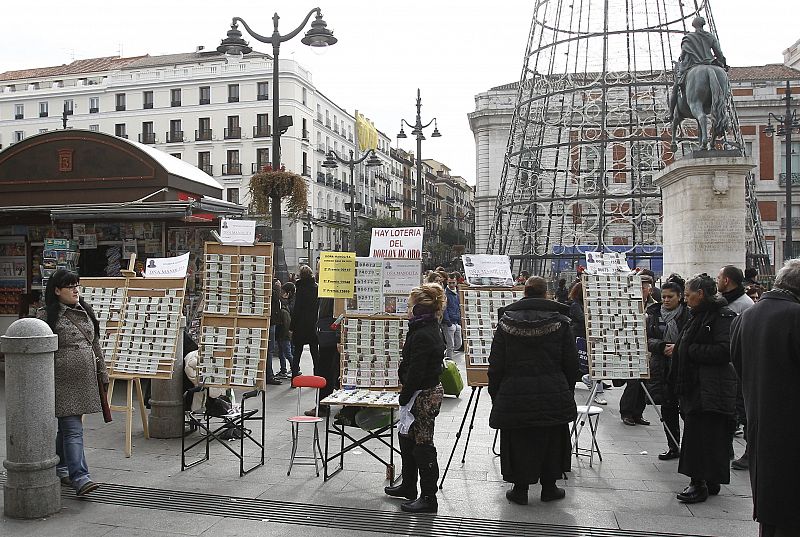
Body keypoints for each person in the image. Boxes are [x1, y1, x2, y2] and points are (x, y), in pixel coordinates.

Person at [488, 276, 579, 505]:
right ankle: (549, 487)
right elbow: (571, 363)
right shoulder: (561, 322)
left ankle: (520, 489)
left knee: (517, 440)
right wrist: (565, 388)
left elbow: (496, 364)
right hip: (552, 389)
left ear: (525, 293)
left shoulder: (506, 323)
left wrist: (496, 393)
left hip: (514, 391)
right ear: (546, 294)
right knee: (552, 439)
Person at [731, 259, 800, 537]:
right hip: (792, 424)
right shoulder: (795, 315)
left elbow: (737, 362)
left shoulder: (746, 315)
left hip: (759, 418)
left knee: (770, 504)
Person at [38, 269, 108, 496]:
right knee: (73, 429)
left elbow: (94, 342)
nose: (75, 290)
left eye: (77, 285)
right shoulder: (47, 316)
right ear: (57, 290)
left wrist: (103, 373)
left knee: (67, 428)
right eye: (70, 286)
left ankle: (61, 466)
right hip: (62, 379)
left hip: (85, 377)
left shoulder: (85, 310)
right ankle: (80, 477)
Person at [673, 274, 737, 504]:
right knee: (704, 435)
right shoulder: (698, 315)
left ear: (700, 294)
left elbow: (724, 351)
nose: (686, 299)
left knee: (702, 437)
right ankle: (710, 479)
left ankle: (698, 482)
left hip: (711, 387)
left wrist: (690, 351)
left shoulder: (722, 316)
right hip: (697, 385)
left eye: (689, 295)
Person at [384, 284, 445, 514]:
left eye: (410, 306)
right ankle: (409, 486)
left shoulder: (424, 333)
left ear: (419, 308)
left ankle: (428, 497)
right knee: (407, 439)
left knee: (422, 445)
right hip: (420, 392)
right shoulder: (425, 327)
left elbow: (417, 372)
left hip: (423, 395)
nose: (407, 310)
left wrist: (405, 395)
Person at [716, 265, 754, 470]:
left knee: (743, 408)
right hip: (727, 363)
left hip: (739, 364)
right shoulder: (725, 301)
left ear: (727, 281)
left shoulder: (744, 304)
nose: (717, 280)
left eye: (719, 277)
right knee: (729, 408)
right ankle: (726, 447)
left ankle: (750, 451)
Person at [646, 280, 689, 460]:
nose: (665, 300)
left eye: (670, 297)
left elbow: (691, 337)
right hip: (662, 367)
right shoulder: (654, 314)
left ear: (679, 297)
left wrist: (677, 348)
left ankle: (690, 447)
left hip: (683, 366)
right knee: (667, 408)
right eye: (663, 296)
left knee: (687, 410)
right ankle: (673, 445)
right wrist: (662, 346)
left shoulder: (688, 315)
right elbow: (647, 339)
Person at [667, 16, 728, 122]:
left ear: (694, 25)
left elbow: (682, 56)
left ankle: (671, 113)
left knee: (675, 88)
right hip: (711, 63)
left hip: (693, 66)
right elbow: (719, 53)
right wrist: (723, 64)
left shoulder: (688, 37)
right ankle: (724, 108)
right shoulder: (710, 36)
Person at [620, 274, 655, 426]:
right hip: (631, 347)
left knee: (643, 382)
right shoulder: (628, 303)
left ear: (649, 289)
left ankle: (638, 413)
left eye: (644, 287)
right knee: (633, 382)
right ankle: (626, 412)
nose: (641, 290)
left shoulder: (654, 305)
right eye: (639, 287)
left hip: (648, 348)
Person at [567, 280, 606, 405]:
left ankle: (594, 385)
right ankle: (594, 387)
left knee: (593, 363)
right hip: (580, 337)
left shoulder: (585, 304)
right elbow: (581, 318)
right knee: (585, 362)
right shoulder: (575, 305)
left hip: (588, 336)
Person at [290, 265, 320, 379]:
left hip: (300, 326)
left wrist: (291, 327)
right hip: (313, 324)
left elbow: (296, 309)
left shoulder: (300, 289)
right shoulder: (316, 288)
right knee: (315, 353)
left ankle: (294, 377)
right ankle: (317, 375)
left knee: (297, 353)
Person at [442, 275, 462, 360]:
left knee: (458, 344)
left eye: (453, 282)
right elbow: (444, 309)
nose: (451, 284)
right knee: (451, 345)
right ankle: (448, 361)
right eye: (450, 283)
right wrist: (448, 322)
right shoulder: (445, 294)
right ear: (447, 282)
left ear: (456, 282)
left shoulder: (457, 293)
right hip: (449, 322)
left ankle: (446, 356)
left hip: (455, 322)